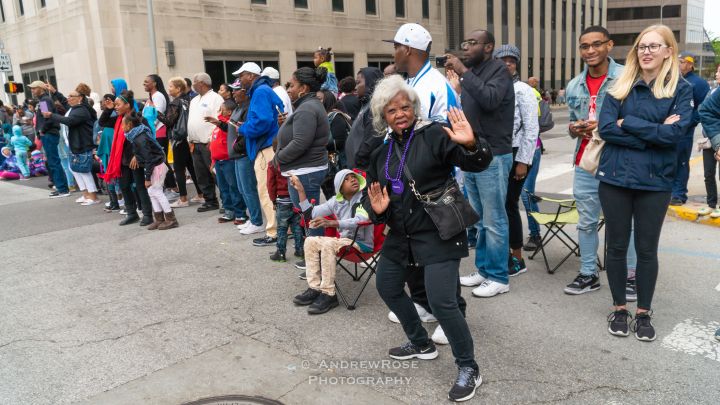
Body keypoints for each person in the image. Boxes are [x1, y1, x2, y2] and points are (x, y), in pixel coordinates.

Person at [364, 76, 492, 402]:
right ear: (383, 116)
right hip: (401, 233)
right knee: (388, 286)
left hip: (438, 230)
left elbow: (476, 163)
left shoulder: (434, 134)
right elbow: (375, 195)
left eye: (405, 106)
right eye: (392, 110)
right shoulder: (383, 152)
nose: (400, 113)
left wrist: (471, 144)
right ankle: (420, 342)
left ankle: (469, 367)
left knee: (441, 301)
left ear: (414, 108)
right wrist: (377, 210)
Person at [599, 24, 693, 341]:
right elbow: (607, 129)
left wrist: (632, 124)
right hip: (615, 179)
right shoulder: (618, 86)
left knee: (646, 250)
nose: (647, 51)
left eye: (654, 46)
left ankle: (643, 313)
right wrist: (653, 135)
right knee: (616, 248)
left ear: (669, 51)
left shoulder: (681, 90)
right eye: (642, 46)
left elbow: (676, 136)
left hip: (655, 183)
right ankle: (619, 309)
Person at [388, 22, 460, 343]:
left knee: (440, 251)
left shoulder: (435, 83)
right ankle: (424, 302)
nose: (393, 52)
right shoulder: (412, 81)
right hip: (410, 180)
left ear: (409, 50)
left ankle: (452, 310)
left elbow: (449, 135)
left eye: (396, 46)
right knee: (414, 246)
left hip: (433, 185)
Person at [563, 26, 639, 299]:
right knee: (586, 222)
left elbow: (641, 118)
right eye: (585, 46)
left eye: (597, 44)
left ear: (609, 45)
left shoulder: (627, 77)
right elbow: (572, 121)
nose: (590, 50)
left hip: (620, 158)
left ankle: (631, 276)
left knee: (624, 222)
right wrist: (575, 128)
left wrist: (609, 124)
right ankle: (588, 273)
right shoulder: (574, 85)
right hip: (587, 161)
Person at [444, 30, 515, 298]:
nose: (466, 48)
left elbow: (490, 99)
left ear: (489, 47)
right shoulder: (475, 73)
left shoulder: (499, 70)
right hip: (474, 153)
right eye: (464, 43)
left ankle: (499, 276)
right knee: (481, 219)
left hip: (494, 155)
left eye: (472, 43)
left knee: (494, 219)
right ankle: (484, 270)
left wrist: (463, 71)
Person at [291, 169, 372, 314]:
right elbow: (310, 214)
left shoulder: (364, 199)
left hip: (361, 243)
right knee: (310, 241)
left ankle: (329, 294)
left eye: (354, 177)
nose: (353, 179)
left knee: (329, 243)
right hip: (343, 241)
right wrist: (301, 190)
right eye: (347, 179)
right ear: (340, 186)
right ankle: (315, 288)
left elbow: (360, 220)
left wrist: (332, 223)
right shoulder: (336, 201)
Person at [273, 67, 330, 271]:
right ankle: (316, 261)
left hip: (305, 172)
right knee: (310, 218)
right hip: (305, 170)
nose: (288, 89)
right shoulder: (308, 105)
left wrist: (278, 157)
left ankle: (319, 265)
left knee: (311, 219)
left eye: (292, 85)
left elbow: (300, 143)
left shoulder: (307, 108)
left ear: (304, 88)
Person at [493, 44, 539, 276]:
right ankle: (501, 254)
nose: (507, 63)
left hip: (517, 153)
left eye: (511, 60)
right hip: (497, 152)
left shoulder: (523, 90)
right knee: (497, 206)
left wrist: (523, 161)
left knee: (509, 204)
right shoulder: (494, 87)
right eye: (502, 60)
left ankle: (517, 258)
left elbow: (532, 128)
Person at [235, 62, 284, 242]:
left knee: (267, 191)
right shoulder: (263, 90)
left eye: (242, 76)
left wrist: (243, 129)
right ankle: (280, 230)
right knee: (273, 191)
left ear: (251, 76)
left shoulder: (260, 91)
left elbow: (262, 122)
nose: (239, 80)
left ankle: (274, 232)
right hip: (269, 146)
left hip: (266, 148)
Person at [100, 89, 154, 226]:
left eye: (118, 105)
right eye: (115, 105)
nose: (116, 107)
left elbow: (147, 138)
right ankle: (132, 213)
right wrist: (108, 109)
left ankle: (148, 215)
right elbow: (102, 122)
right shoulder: (118, 120)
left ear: (127, 105)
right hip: (122, 160)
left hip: (136, 159)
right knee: (124, 186)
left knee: (140, 187)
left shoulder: (139, 118)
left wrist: (137, 155)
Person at [122, 111, 179, 230]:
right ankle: (159, 219)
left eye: (123, 125)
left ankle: (171, 219)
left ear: (129, 125)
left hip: (157, 166)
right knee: (152, 192)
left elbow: (149, 159)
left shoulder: (139, 138)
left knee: (156, 191)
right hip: (154, 166)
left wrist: (147, 178)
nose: (122, 127)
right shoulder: (136, 136)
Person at [43, 90, 100, 205]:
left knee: (84, 170)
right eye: (68, 96)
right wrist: (54, 91)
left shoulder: (82, 109)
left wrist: (51, 115)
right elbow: (64, 101)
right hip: (74, 144)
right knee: (75, 169)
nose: (68, 98)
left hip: (82, 143)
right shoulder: (73, 108)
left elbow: (70, 121)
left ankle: (93, 197)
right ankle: (85, 195)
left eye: (71, 96)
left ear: (80, 98)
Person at [670, 52, 711, 206]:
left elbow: (703, 107)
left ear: (690, 64)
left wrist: (689, 123)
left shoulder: (699, 83)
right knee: (669, 159)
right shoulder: (674, 80)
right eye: (678, 61)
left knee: (681, 161)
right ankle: (668, 190)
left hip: (685, 131)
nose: (678, 64)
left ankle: (679, 194)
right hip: (669, 128)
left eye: (681, 62)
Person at [161, 77, 202, 208]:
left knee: (179, 168)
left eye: (171, 86)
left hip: (179, 139)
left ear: (178, 88)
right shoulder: (190, 100)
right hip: (190, 137)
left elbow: (168, 121)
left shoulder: (175, 103)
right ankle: (201, 194)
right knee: (192, 167)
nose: (169, 89)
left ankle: (183, 199)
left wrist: (155, 112)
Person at [188, 72, 224, 212]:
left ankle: (227, 201)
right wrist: (189, 139)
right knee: (201, 174)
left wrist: (211, 139)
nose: (193, 85)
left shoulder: (216, 98)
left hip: (208, 142)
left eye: (194, 82)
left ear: (202, 83)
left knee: (215, 173)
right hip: (195, 143)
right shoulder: (194, 100)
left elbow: (219, 120)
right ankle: (210, 201)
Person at [226, 79, 260, 227]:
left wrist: (237, 148)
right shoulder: (237, 108)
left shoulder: (248, 108)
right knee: (242, 189)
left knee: (249, 189)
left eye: (236, 89)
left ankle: (256, 221)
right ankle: (252, 218)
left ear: (245, 92)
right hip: (236, 156)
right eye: (232, 90)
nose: (233, 92)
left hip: (243, 155)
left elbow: (247, 133)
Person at [29, 80, 70, 198]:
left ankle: (62, 189)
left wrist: (42, 130)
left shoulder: (44, 100)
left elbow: (48, 117)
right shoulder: (44, 100)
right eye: (31, 88)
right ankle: (61, 188)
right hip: (49, 133)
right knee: (53, 161)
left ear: (41, 88)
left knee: (54, 162)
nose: (32, 90)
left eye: (34, 88)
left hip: (48, 133)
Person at [207, 99, 245, 224]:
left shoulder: (228, 123)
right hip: (218, 161)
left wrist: (218, 122)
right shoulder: (218, 125)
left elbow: (229, 129)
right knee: (223, 188)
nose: (219, 111)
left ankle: (240, 213)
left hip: (228, 160)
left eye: (222, 109)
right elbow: (214, 144)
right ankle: (229, 211)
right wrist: (213, 160)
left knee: (233, 187)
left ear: (229, 112)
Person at [143, 74, 177, 195]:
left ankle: (173, 187)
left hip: (159, 132)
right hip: (152, 133)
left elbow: (157, 116)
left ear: (154, 83)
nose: (144, 84)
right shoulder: (151, 97)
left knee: (162, 161)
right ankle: (167, 186)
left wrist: (148, 129)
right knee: (158, 161)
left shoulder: (158, 96)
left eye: (147, 82)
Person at [344, 67, 384, 170]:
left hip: (364, 169)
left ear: (370, 83)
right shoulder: (366, 104)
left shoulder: (375, 107)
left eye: (358, 83)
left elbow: (371, 141)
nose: (355, 87)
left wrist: (358, 162)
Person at [267, 154, 303, 263]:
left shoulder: (273, 163)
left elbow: (270, 184)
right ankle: (300, 250)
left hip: (282, 200)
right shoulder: (295, 159)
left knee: (282, 228)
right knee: (297, 226)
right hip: (296, 198)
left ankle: (281, 253)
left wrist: (273, 199)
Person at [317, 89, 351, 198]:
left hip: (335, 160)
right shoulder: (322, 117)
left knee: (336, 191)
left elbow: (340, 142)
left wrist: (318, 144)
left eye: (319, 99)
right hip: (326, 160)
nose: (316, 102)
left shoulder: (336, 117)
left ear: (327, 100)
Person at [699, 64, 720, 217]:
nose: (718, 74)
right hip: (710, 140)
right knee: (708, 173)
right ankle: (711, 204)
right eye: (718, 71)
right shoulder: (712, 92)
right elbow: (704, 111)